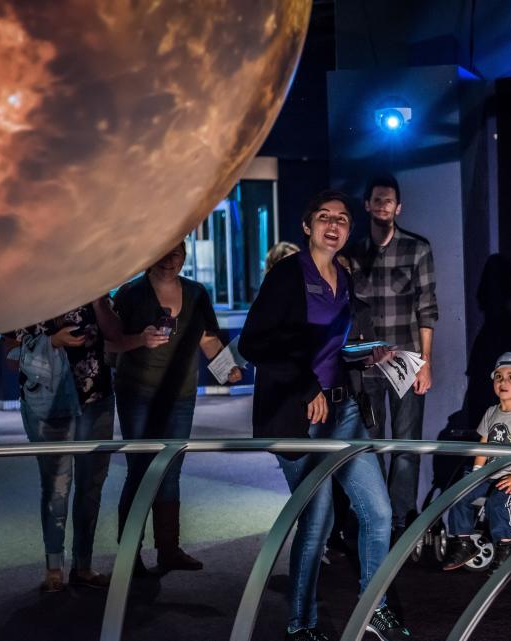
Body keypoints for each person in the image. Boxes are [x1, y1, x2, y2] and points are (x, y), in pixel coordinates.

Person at [239, 190, 415, 641]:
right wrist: (305, 386)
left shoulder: (344, 276)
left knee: (377, 513)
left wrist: (371, 352)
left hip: (346, 412)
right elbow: (254, 344)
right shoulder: (286, 275)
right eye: (324, 217)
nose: (333, 225)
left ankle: (373, 610)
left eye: (341, 219)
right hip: (299, 416)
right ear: (306, 225)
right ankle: (302, 625)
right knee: (318, 521)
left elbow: (339, 348)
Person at [112, 241, 242, 574]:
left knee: (171, 471)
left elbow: (206, 338)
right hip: (138, 393)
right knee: (140, 471)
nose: (171, 259)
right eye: (164, 252)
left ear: (185, 256)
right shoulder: (130, 294)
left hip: (181, 395)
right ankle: (130, 554)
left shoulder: (197, 292)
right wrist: (140, 339)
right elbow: (109, 343)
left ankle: (168, 549)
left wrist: (227, 368)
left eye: (177, 253)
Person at [9, 297, 121, 591]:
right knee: (56, 485)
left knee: (91, 484)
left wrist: (99, 303)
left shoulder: (94, 286)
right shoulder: (25, 294)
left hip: (96, 398)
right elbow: (9, 354)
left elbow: (116, 335)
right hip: (47, 402)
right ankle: (54, 567)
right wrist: (52, 343)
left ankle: (83, 564)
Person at [347, 173, 438, 534]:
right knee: (369, 445)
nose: (383, 205)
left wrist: (425, 364)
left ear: (398, 207)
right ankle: (372, 519)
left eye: (389, 200)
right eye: (377, 199)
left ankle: (401, 521)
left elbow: (427, 308)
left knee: (405, 445)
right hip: (366, 365)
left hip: (406, 362)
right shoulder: (352, 252)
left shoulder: (417, 248)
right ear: (367, 205)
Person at [442, 352, 511, 573]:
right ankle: (463, 542)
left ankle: (506, 547)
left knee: (497, 502)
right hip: (491, 472)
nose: (503, 382)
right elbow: (483, 445)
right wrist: (477, 472)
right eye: (498, 377)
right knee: (459, 493)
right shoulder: (491, 413)